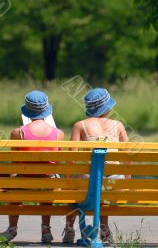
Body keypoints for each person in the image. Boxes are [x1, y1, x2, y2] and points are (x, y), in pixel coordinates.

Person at [62, 88, 128, 244]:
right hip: (114, 182)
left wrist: (67, 181)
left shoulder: (80, 125)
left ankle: (70, 228)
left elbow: (72, 158)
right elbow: (128, 156)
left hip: (87, 182)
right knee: (103, 188)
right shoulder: (118, 125)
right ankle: (104, 229)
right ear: (108, 108)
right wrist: (128, 180)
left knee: (74, 188)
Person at [0, 90, 64, 243]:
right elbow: (57, 164)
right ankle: (46, 229)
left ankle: (12, 228)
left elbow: (14, 163)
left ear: (27, 111)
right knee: (50, 178)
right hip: (48, 183)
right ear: (47, 110)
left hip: (24, 182)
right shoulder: (58, 134)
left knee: (14, 182)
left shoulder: (17, 133)